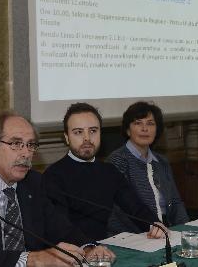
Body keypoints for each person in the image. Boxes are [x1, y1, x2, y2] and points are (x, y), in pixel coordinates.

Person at [0, 111, 112, 267]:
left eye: (30, 145)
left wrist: (88, 247)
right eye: (16, 144)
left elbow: (61, 228)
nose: (26, 153)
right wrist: (32, 259)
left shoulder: (34, 182)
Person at [43, 103, 165, 242]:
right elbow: (59, 227)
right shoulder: (54, 176)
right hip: (71, 253)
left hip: (103, 250)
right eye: (78, 132)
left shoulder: (109, 171)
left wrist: (155, 225)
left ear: (101, 133)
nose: (87, 138)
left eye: (93, 131)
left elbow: (135, 208)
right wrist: (87, 247)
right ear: (66, 137)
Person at [107, 101, 189, 234]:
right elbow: (119, 211)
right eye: (138, 123)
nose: (145, 129)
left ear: (157, 130)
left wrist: (185, 230)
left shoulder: (162, 162)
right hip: (134, 236)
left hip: (165, 231)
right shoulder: (117, 160)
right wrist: (150, 230)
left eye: (150, 123)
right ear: (128, 130)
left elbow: (175, 202)